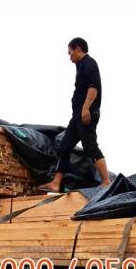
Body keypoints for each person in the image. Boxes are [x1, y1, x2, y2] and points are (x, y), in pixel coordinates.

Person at [39, 37, 110, 192]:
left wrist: (86, 108)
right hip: (77, 115)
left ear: (78, 49)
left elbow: (93, 88)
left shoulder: (89, 63)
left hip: (87, 113)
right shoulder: (80, 66)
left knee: (90, 146)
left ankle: (106, 181)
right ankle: (55, 183)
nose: (69, 57)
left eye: (70, 53)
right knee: (64, 146)